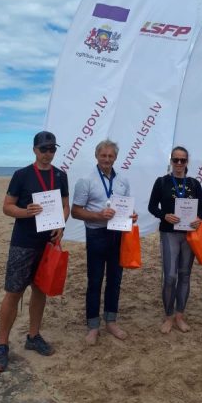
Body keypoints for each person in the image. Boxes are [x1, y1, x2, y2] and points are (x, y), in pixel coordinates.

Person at [0, 131, 70, 372]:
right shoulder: (21, 175)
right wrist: (27, 212)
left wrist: (61, 226)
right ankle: (2, 344)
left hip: (47, 245)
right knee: (13, 293)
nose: (48, 153)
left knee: (40, 290)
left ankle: (33, 336)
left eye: (52, 149)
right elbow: (7, 207)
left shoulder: (60, 175)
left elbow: (65, 206)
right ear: (34, 150)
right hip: (23, 244)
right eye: (43, 149)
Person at [71, 140, 137, 345]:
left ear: (115, 158)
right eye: (103, 155)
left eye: (110, 156)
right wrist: (98, 215)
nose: (107, 159)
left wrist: (131, 216)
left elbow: (125, 207)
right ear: (96, 156)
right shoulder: (85, 180)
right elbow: (75, 211)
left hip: (117, 234)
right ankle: (93, 326)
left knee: (115, 280)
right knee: (95, 281)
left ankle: (111, 321)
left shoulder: (123, 180)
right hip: (96, 234)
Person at [148, 146, 202, 334]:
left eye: (183, 160)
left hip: (188, 234)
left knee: (185, 275)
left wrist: (198, 219)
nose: (179, 163)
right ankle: (168, 316)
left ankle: (179, 315)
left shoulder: (194, 184)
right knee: (170, 276)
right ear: (171, 161)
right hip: (169, 233)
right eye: (176, 160)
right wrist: (164, 215)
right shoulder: (162, 182)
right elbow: (151, 207)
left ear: (187, 161)